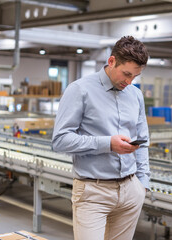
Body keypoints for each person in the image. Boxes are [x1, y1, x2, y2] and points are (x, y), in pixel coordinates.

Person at [52, 36, 150, 240]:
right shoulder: (80, 90)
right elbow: (60, 140)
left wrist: (142, 183)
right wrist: (108, 144)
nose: (129, 82)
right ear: (112, 61)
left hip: (131, 189)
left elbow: (143, 139)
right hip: (93, 192)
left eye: (135, 76)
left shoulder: (135, 95)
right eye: (126, 74)